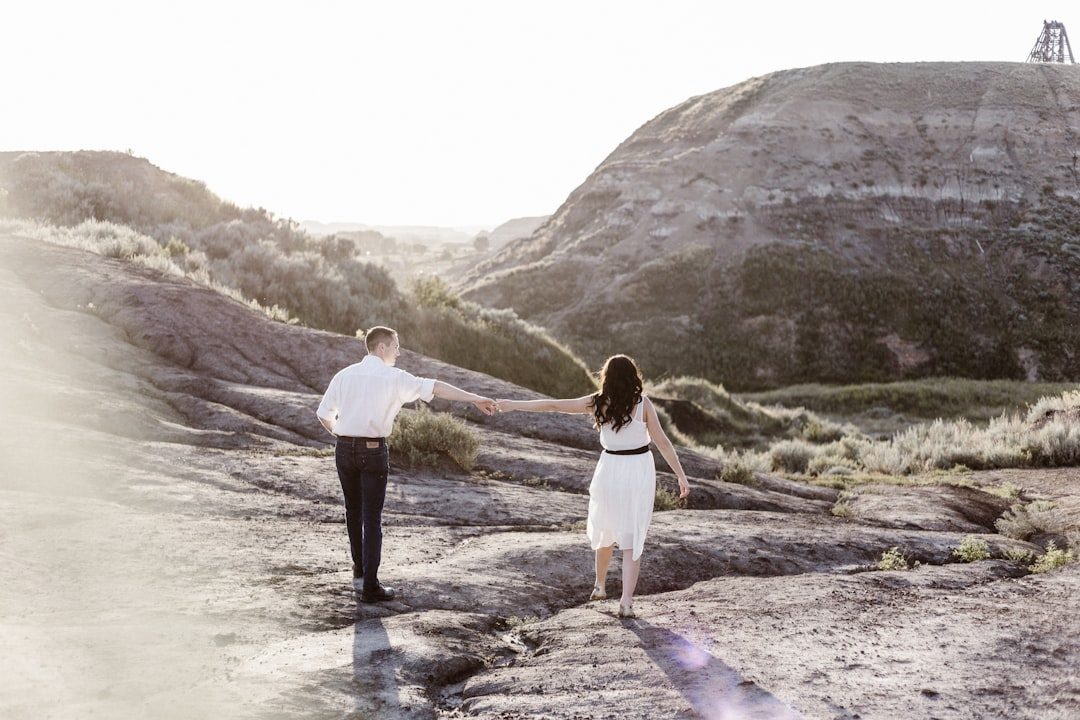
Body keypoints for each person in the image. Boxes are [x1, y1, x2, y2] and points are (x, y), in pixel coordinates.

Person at [495, 354, 689, 618]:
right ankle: (627, 602)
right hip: (637, 471)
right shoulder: (642, 404)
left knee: (605, 527)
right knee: (632, 536)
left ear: (606, 377)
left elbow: (553, 406)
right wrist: (680, 474)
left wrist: (512, 404)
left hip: (609, 469)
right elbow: (663, 443)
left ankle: (599, 586)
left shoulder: (597, 402)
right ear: (633, 376)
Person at [317, 325, 496, 603]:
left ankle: (359, 569)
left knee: (353, 509)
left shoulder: (344, 375)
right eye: (396, 346)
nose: (399, 353)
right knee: (371, 517)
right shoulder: (394, 377)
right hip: (373, 451)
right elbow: (435, 387)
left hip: (343, 448)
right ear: (381, 347)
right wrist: (474, 398)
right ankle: (370, 586)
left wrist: (341, 435)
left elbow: (323, 414)